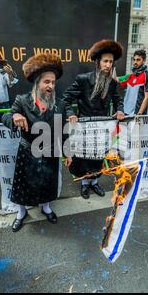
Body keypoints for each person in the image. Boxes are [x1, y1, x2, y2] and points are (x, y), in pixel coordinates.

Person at [2, 53, 71, 232]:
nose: (50, 86)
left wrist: (67, 151)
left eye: (53, 82)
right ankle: (21, 212)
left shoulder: (60, 105)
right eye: (46, 81)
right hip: (27, 152)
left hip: (50, 151)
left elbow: (63, 130)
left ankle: (46, 207)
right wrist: (14, 116)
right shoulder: (22, 101)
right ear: (38, 83)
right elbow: (6, 116)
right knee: (23, 186)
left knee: (48, 183)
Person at [62, 39, 125, 199]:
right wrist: (70, 113)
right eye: (105, 61)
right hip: (84, 127)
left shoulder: (112, 82)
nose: (108, 65)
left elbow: (118, 99)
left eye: (111, 62)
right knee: (84, 158)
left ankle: (94, 183)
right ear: (98, 62)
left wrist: (119, 110)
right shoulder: (83, 79)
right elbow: (65, 99)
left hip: (103, 127)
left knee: (98, 157)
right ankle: (84, 185)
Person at [118, 49, 148, 116]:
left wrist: (140, 113)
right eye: (134, 59)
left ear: (144, 61)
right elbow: (116, 79)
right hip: (125, 113)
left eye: (138, 60)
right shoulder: (130, 76)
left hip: (136, 115)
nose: (135, 62)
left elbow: (147, 97)